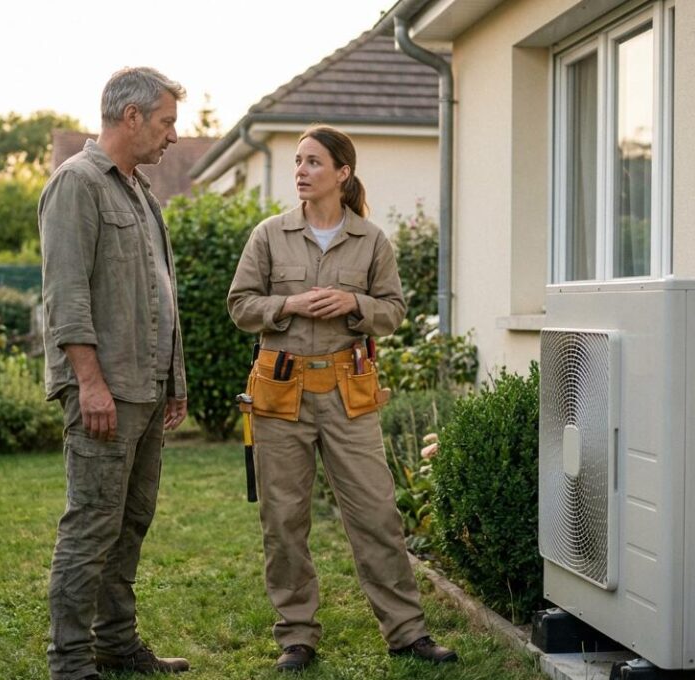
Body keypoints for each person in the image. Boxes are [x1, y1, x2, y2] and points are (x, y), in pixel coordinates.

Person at [226, 125, 459, 672]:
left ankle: (407, 632)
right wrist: (290, 306)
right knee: (283, 518)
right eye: (298, 163)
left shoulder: (371, 240)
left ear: (342, 173)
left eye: (312, 163)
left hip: (348, 392)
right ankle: (297, 636)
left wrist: (354, 303)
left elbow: (393, 311)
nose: (301, 172)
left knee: (377, 514)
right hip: (280, 391)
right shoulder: (268, 235)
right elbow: (240, 305)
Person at [39, 66, 191, 679]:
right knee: (91, 527)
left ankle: (116, 644)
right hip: (106, 391)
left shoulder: (140, 193)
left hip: (145, 390)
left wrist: (173, 382)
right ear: (131, 117)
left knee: (130, 524)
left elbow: (160, 294)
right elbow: (66, 295)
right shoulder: (77, 184)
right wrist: (90, 383)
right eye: (165, 122)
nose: (172, 136)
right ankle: (71, 664)